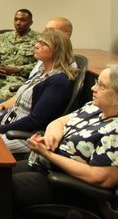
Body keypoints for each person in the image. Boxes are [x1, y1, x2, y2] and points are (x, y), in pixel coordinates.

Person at [12, 65, 118, 217]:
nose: (93, 88)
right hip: (45, 166)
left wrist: (49, 155)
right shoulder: (93, 108)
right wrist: (51, 137)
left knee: (1, 186)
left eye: (101, 86)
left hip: (69, 186)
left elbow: (100, 178)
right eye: (96, 82)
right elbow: (59, 122)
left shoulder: (115, 130)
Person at [0, 29, 76, 155]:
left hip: (24, 136)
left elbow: (35, 120)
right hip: (9, 127)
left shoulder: (59, 81)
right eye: (38, 42)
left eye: (43, 44)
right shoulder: (40, 73)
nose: (36, 45)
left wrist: (1, 128)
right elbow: (17, 108)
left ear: (56, 50)